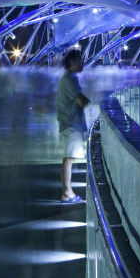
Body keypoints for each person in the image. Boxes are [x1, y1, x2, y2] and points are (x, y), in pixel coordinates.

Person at [57, 49, 90, 203]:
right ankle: (66, 193)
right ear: (71, 63)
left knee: (69, 158)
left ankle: (68, 192)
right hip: (71, 124)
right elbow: (81, 101)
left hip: (71, 123)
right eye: (79, 60)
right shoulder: (69, 80)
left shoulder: (69, 79)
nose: (81, 63)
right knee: (69, 159)